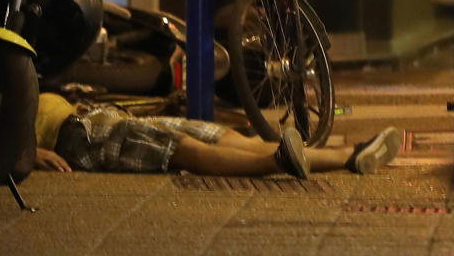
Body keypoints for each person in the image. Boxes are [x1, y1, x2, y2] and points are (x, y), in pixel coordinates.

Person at [33, 93, 401, 178]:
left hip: (99, 116)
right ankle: (275, 161)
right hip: (78, 139)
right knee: (183, 150)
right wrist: (30, 153)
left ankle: (349, 155)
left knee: (223, 136)